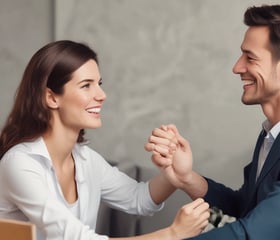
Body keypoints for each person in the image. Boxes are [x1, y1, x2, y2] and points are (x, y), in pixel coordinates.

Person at [145, 4, 280, 239]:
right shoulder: (273, 134)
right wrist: (186, 178)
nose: (237, 67)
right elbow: (247, 206)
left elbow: (250, 233)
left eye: (250, 58)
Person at [0, 40, 210, 240]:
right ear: (52, 98)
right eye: (86, 85)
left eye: (99, 83)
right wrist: (172, 234)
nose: (102, 95)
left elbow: (139, 199)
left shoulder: (85, 159)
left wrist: (175, 175)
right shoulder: (21, 163)